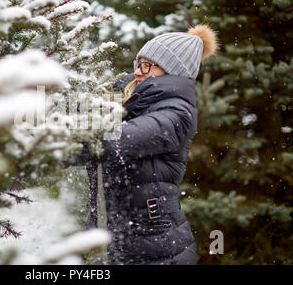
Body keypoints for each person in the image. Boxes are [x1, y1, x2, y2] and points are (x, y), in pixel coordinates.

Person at [64, 24, 218, 265]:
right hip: (113, 243)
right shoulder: (131, 100)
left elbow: (117, 141)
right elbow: (75, 109)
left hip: (158, 251)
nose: (138, 72)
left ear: (171, 72)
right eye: (138, 63)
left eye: (147, 65)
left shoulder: (177, 115)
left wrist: (55, 146)